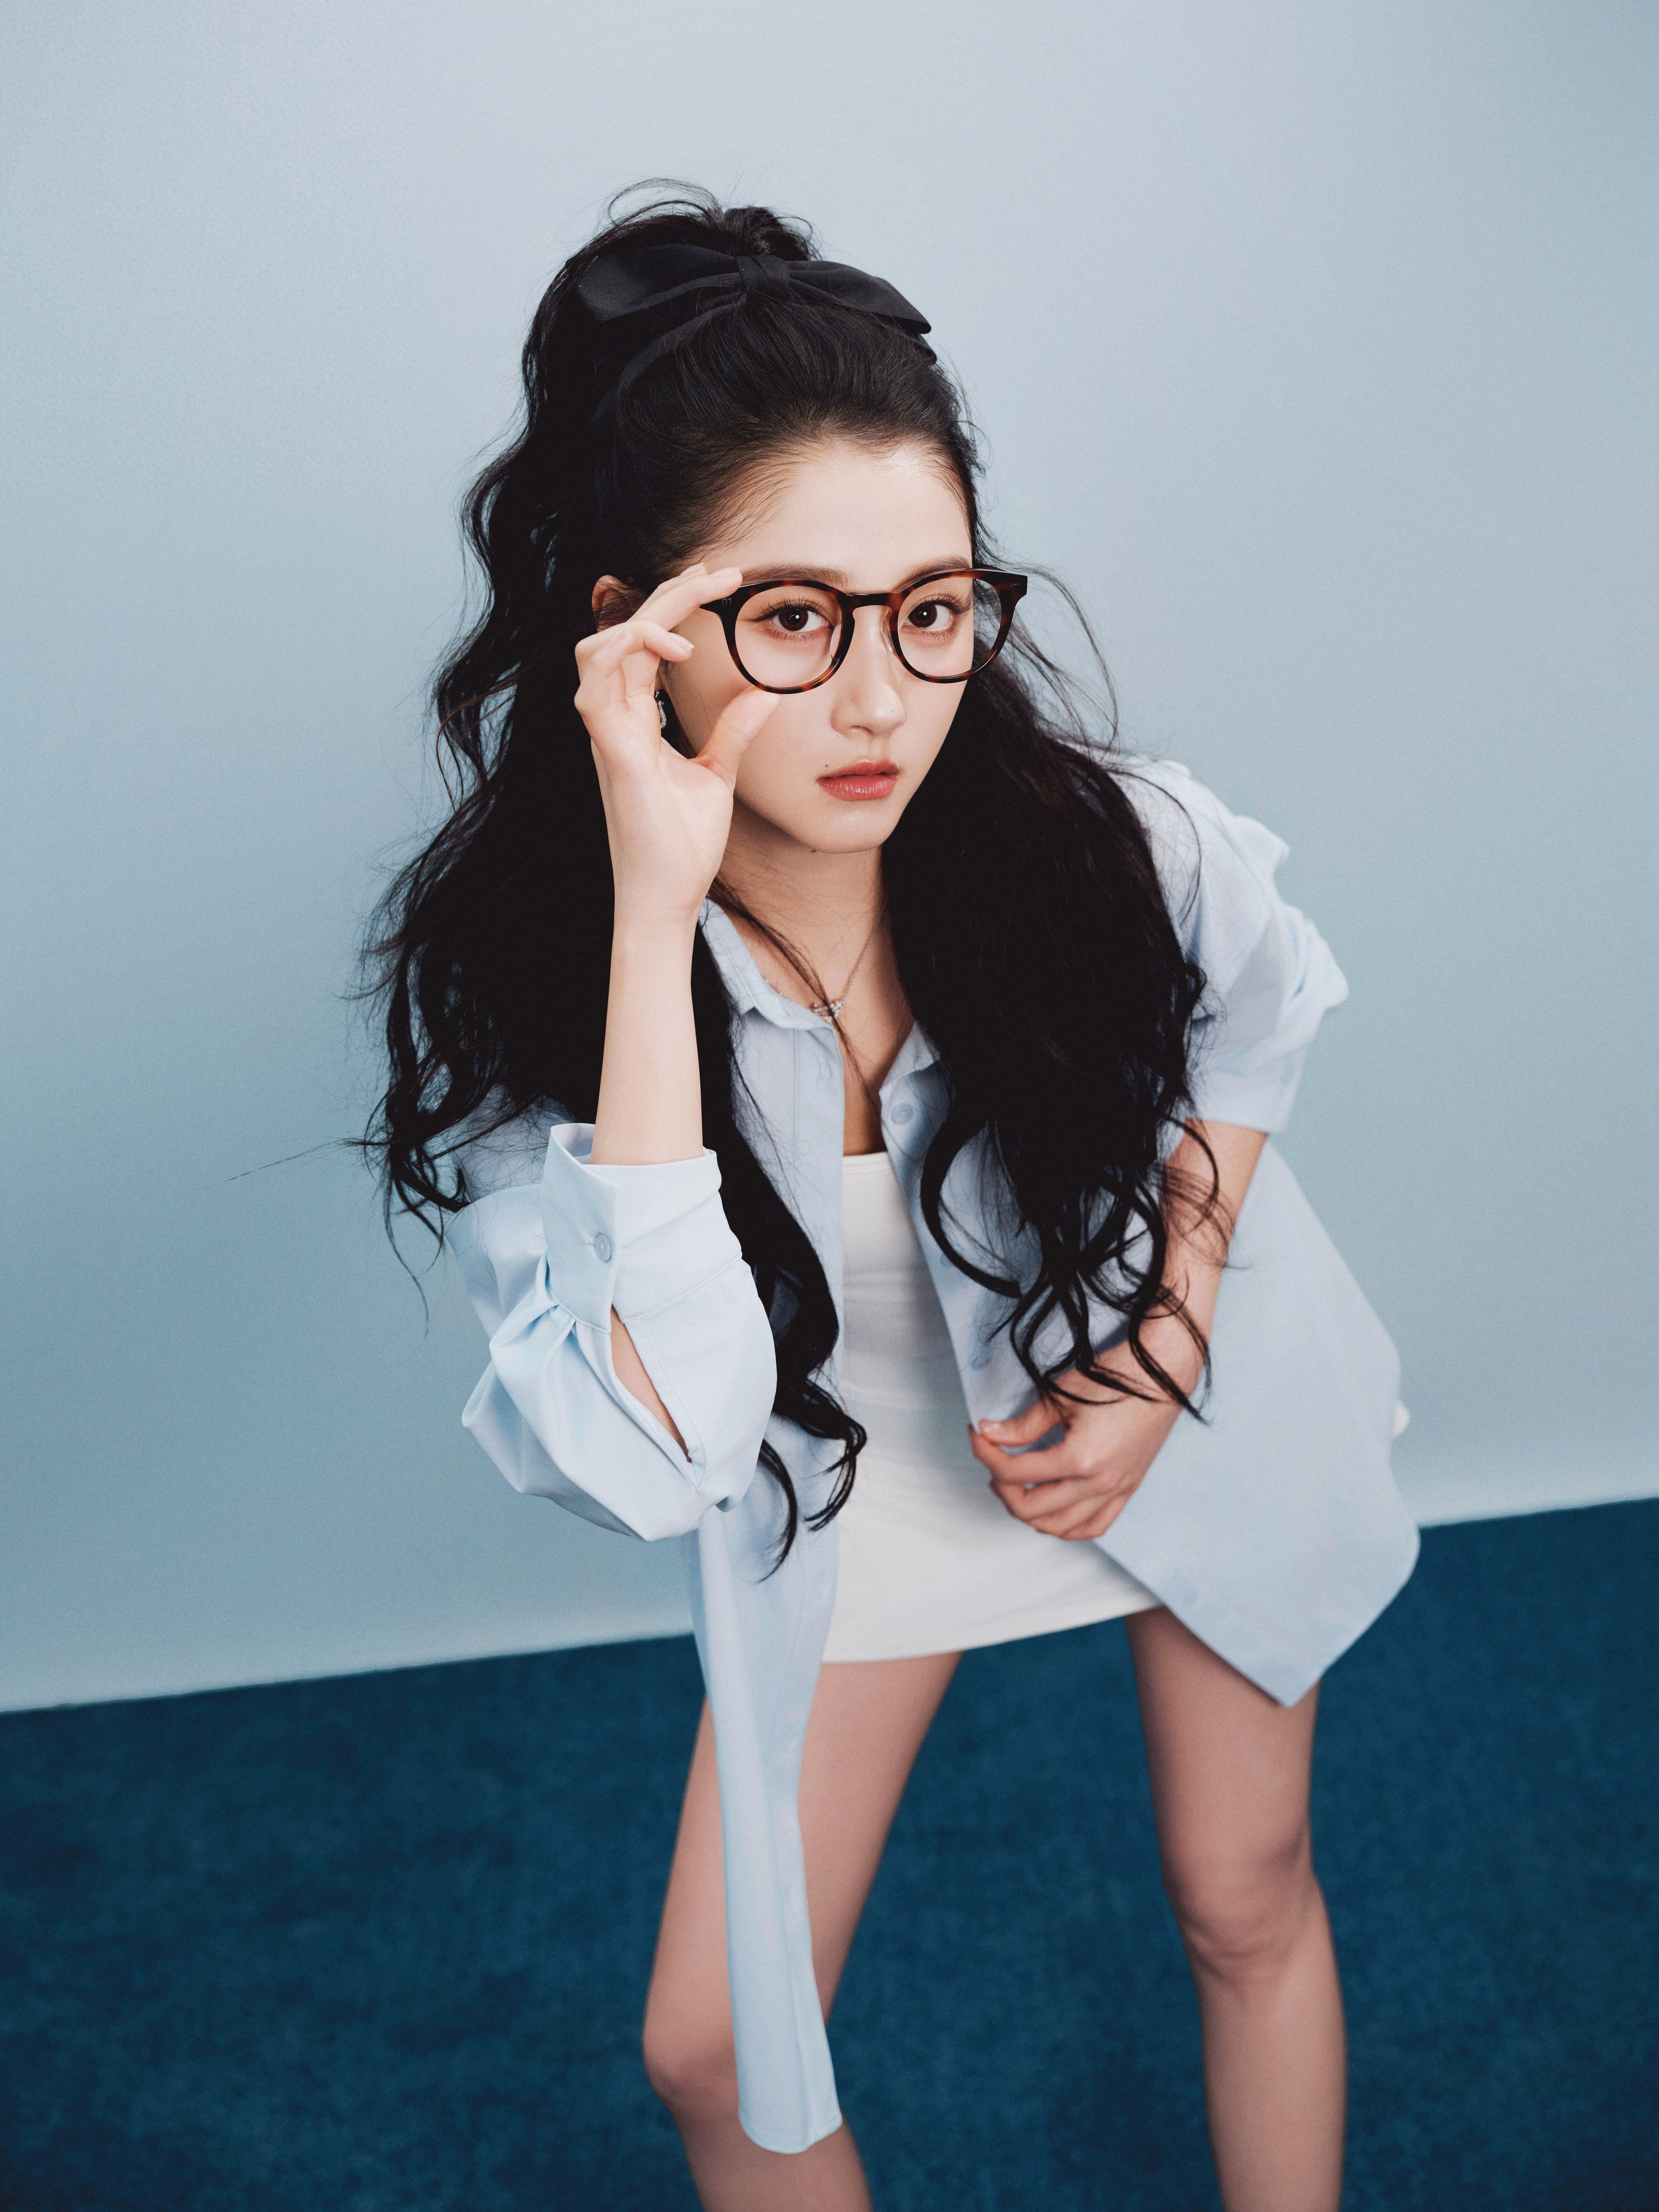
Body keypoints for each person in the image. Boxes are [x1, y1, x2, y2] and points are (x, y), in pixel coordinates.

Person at [367, 186, 1419, 2212]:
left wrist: (1176, 1310)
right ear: (636, 635)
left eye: (932, 609)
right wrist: (657, 909)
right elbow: (659, 1448)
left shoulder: (1094, 840)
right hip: (850, 1492)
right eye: (796, 618)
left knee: (1245, 1889)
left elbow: (1267, 1000)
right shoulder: (544, 986)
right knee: (714, 2050)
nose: (880, 702)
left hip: (1166, 1389)